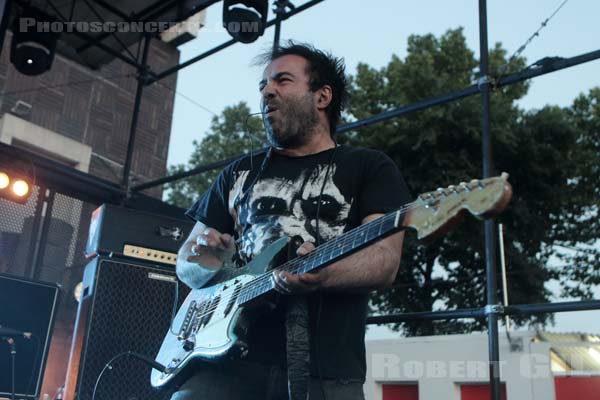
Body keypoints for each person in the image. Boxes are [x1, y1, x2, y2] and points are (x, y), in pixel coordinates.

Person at [171, 42, 411, 400]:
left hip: (326, 371)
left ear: (322, 96)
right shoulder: (238, 173)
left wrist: (322, 275)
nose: (268, 91)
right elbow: (184, 265)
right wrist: (203, 259)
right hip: (224, 363)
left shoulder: (369, 167)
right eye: (263, 85)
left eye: (282, 80)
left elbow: (384, 261)